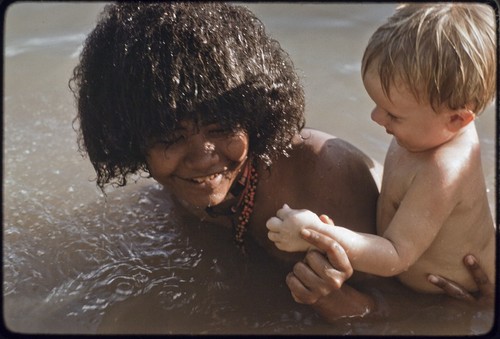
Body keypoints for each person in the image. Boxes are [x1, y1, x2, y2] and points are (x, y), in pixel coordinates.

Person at [69, 2, 491, 323]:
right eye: (170, 138)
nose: (201, 159)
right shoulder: (181, 183)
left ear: (254, 113)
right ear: (129, 139)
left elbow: (414, 310)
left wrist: (339, 301)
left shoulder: (326, 178)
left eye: (220, 128)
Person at [266, 3, 496, 295]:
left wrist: (317, 235)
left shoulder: (444, 169)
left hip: (455, 299)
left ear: (457, 119)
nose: (375, 117)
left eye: (393, 115)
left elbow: (396, 256)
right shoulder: (434, 123)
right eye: (378, 105)